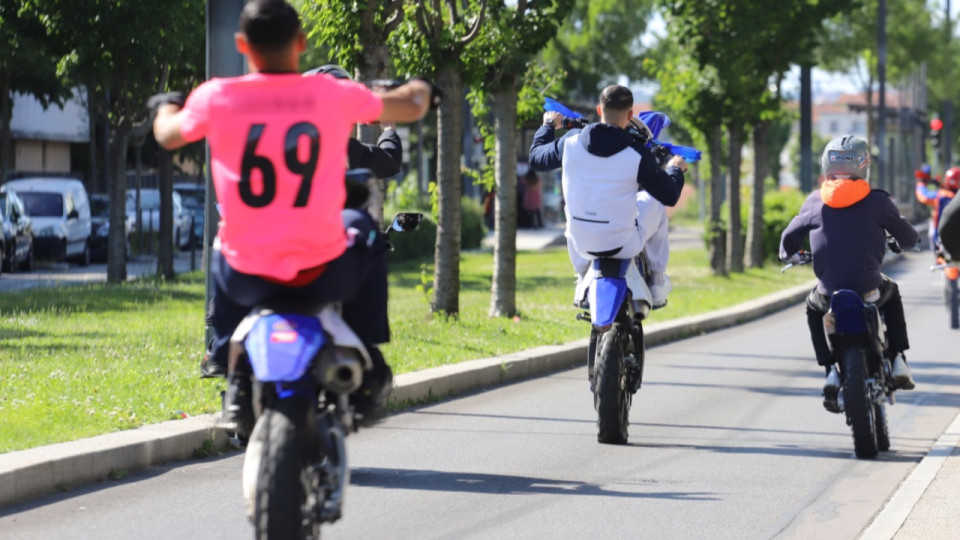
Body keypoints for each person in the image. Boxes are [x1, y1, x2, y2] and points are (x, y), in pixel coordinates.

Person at [151, 0, 437, 427]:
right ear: (301, 43)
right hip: (320, 267)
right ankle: (367, 353)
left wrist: (164, 105)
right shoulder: (330, 94)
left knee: (222, 237)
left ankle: (231, 370)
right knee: (364, 229)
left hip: (245, 276)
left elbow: (167, 134)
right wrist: (424, 89)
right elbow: (409, 105)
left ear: (242, 45)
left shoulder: (217, 96)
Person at [780, 135, 919, 414]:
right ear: (864, 164)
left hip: (827, 293)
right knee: (892, 294)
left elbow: (788, 241)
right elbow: (908, 238)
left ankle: (830, 368)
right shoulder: (878, 201)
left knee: (811, 308)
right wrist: (903, 243)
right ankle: (897, 359)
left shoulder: (814, 201)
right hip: (870, 289)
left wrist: (793, 256)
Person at [528, 85, 686, 308]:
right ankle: (658, 283)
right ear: (630, 115)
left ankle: (582, 277)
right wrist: (675, 169)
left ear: (599, 110)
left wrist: (548, 125)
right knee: (655, 201)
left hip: (582, 245)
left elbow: (536, 158)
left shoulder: (570, 143)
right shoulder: (638, 154)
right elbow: (669, 195)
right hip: (624, 244)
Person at [915, 165, 959, 252]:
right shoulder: (948, 195)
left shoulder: (941, 195)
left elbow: (924, 196)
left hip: (942, 240)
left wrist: (921, 183)